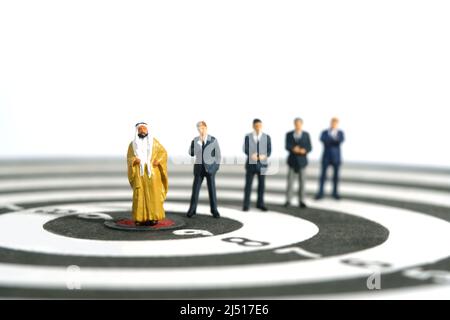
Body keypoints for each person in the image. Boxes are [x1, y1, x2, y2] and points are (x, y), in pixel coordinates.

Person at [127, 122, 168, 226]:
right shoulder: (132, 145)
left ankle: (153, 217)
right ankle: (139, 218)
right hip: (139, 173)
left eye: (143, 128)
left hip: (152, 173)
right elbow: (129, 157)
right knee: (139, 195)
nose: (142, 130)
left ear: (147, 130)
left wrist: (158, 160)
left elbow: (163, 153)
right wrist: (133, 160)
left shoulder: (155, 143)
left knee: (154, 195)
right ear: (137, 131)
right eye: (139, 129)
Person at [187, 121, 221, 218]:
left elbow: (218, 156)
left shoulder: (213, 140)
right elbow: (191, 152)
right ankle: (192, 210)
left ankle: (214, 210)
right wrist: (198, 144)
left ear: (206, 128)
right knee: (195, 190)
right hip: (199, 169)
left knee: (212, 190)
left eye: (202, 128)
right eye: (198, 128)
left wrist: (215, 168)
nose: (200, 130)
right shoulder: (195, 140)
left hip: (210, 169)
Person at [243, 119, 272, 212]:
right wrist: (251, 154)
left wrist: (264, 155)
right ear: (253, 126)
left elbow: (269, 150)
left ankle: (260, 203)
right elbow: (245, 148)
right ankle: (246, 204)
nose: (258, 127)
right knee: (248, 185)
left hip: (262, 164)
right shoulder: (248, 136)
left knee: (262, 185)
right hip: (251, 164)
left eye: (259, 125)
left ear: (262, 126)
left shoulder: (267, 137)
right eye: (256, 125)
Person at [285, 117, 312, 208]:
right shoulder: (289, 134)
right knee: (290, 182)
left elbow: (309, 147)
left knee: (302, 182)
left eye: (299, 124)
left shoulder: (306, 134)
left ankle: (302, 200)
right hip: (292, 161)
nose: (297, 125)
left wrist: (304, 150)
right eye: (296, 124)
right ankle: (288, 200)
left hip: (302, 161)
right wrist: (293, 148)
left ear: (301, 124)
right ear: (294, 124)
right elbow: (287, 145)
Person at [315, 117, 345, 200]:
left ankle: (335, 193)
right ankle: (320, 193)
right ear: (330, 123)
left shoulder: (340, 132)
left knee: (336, 177)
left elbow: (340, 141)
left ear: (337, 124)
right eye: (332, 123)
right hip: (326, 157)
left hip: (336, 158)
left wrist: (330, 140)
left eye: (335, 123)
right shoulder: (324, 132)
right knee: (323, 176)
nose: (333, 124)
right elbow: (322, 140)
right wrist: (334, 140)